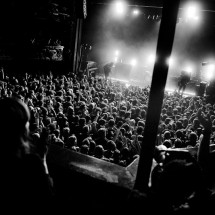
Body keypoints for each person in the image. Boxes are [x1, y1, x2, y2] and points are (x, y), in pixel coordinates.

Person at [0, 97, 54, 213]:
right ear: (23, 128)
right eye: (27, 122)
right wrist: (42, 159)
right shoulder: (30, 164)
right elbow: (47, 199)